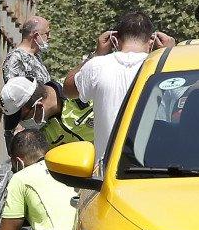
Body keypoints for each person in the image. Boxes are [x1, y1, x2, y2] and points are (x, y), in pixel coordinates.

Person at [64, 10, 164, 160]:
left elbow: (68, 90)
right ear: (151, 41)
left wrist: (96, 54)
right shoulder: (162, 66)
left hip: (108, 165)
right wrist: (169, 52)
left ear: (115, 40)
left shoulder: (97, 65)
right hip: (154, 165)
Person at [0, 77, 94, 150]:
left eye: (23, 119)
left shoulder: (81, 87)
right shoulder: (43, 136)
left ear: (38, 106)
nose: (22, 124)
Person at [1, 16, 53, 87]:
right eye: (47, 33)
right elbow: (14, 90)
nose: (49, 37)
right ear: (36, 36)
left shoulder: (36, 56)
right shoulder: (15, 58)